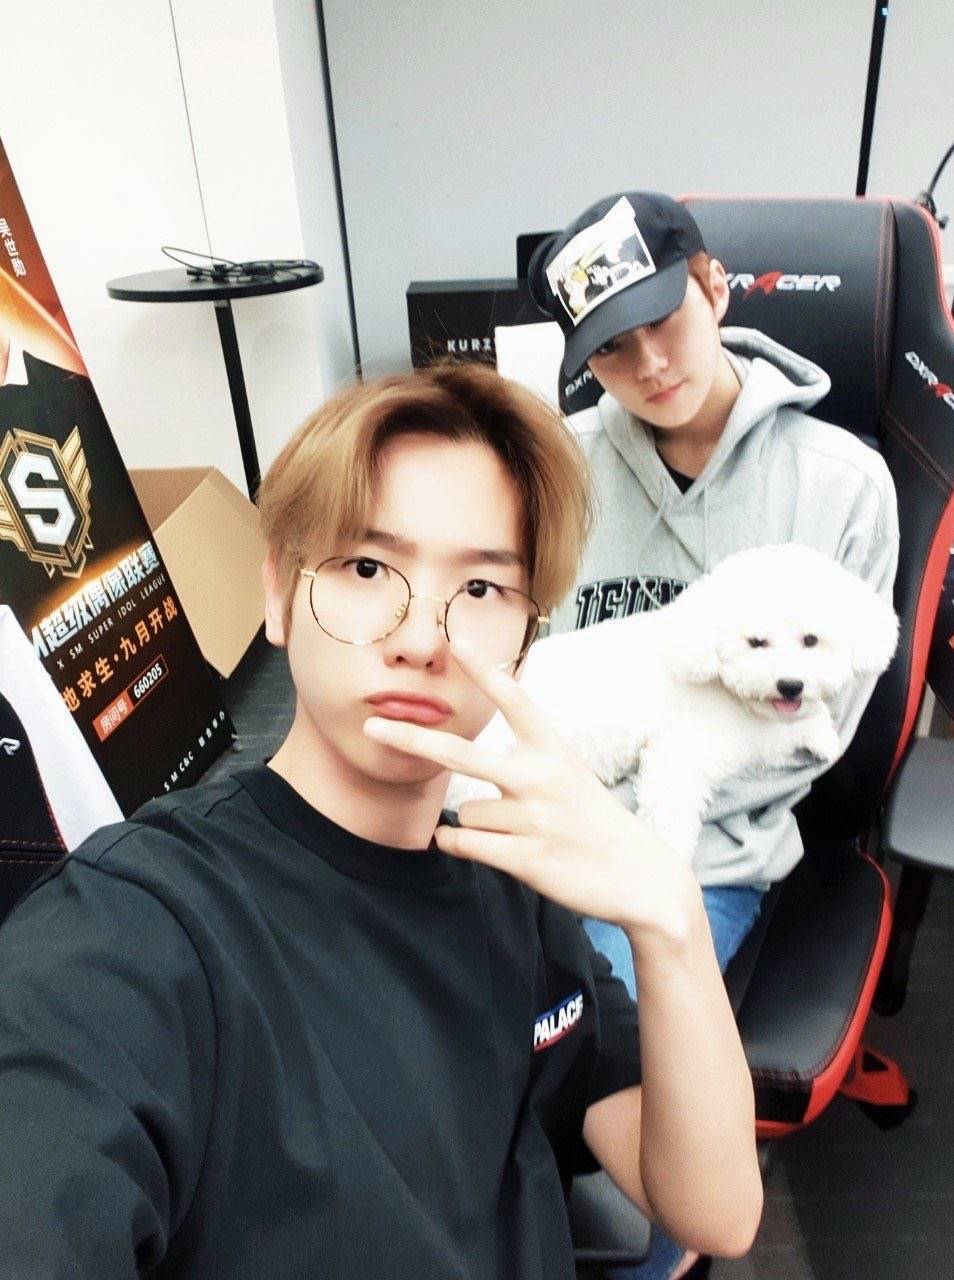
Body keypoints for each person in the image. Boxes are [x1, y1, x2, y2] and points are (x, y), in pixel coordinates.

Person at [0, 362, 762, 1278]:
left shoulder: (515, 893)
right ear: (278, 594)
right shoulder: (141, 924)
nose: (422, 637)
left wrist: (672, 919)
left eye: (480, 590)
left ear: (526, 639)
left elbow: (716, 1213)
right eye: (367, 568)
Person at [528, 192, 899, 1278]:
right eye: (613, 348)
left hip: (705, 848)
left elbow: (822, 725)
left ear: (715, 287)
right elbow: (520, 661)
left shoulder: (841, 483)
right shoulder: (557, 466)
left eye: (665, 322)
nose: (649, 365)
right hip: (539, 819)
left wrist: (631, 842)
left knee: (590, 1056)